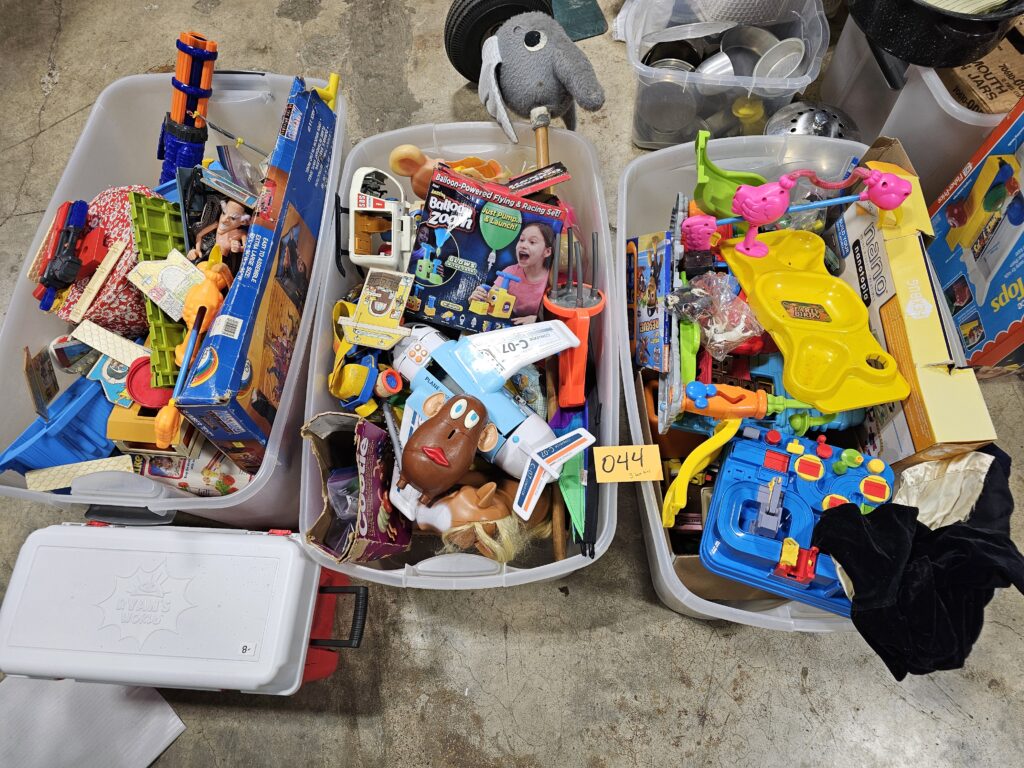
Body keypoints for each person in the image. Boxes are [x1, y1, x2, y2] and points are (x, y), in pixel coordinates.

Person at [469, 222, 554, 324]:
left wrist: (537, 319)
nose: (523, 245)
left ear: (547, 252)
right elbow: (491, 303)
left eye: (532, 242)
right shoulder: (510, 272)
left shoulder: (552, 278)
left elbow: (556, 316)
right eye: (521, 240)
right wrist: (476, 300)